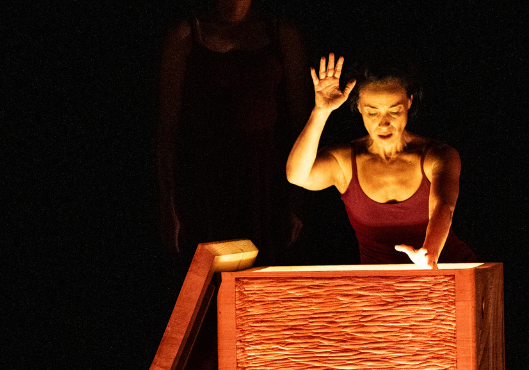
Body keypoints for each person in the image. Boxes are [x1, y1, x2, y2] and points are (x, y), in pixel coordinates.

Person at [156, 0, 313, 267]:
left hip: (263, 176)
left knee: (263, 269)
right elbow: (166, 126)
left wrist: (297, 201)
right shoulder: (188, 32)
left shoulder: (280, 31)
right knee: (207, 272)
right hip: (204, 175)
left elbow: (301, 120)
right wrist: (166, 203)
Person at [285, 54, 476, 268]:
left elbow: (443, 207)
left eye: (394, 111)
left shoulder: (438, 155)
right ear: (358, 107)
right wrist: (321, 111)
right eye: (372, 112)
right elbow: (297, 175)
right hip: (381, 288)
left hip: (448, 270)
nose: (383, 123)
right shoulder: (345, 160)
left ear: (409, 102)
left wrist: (428, 253)